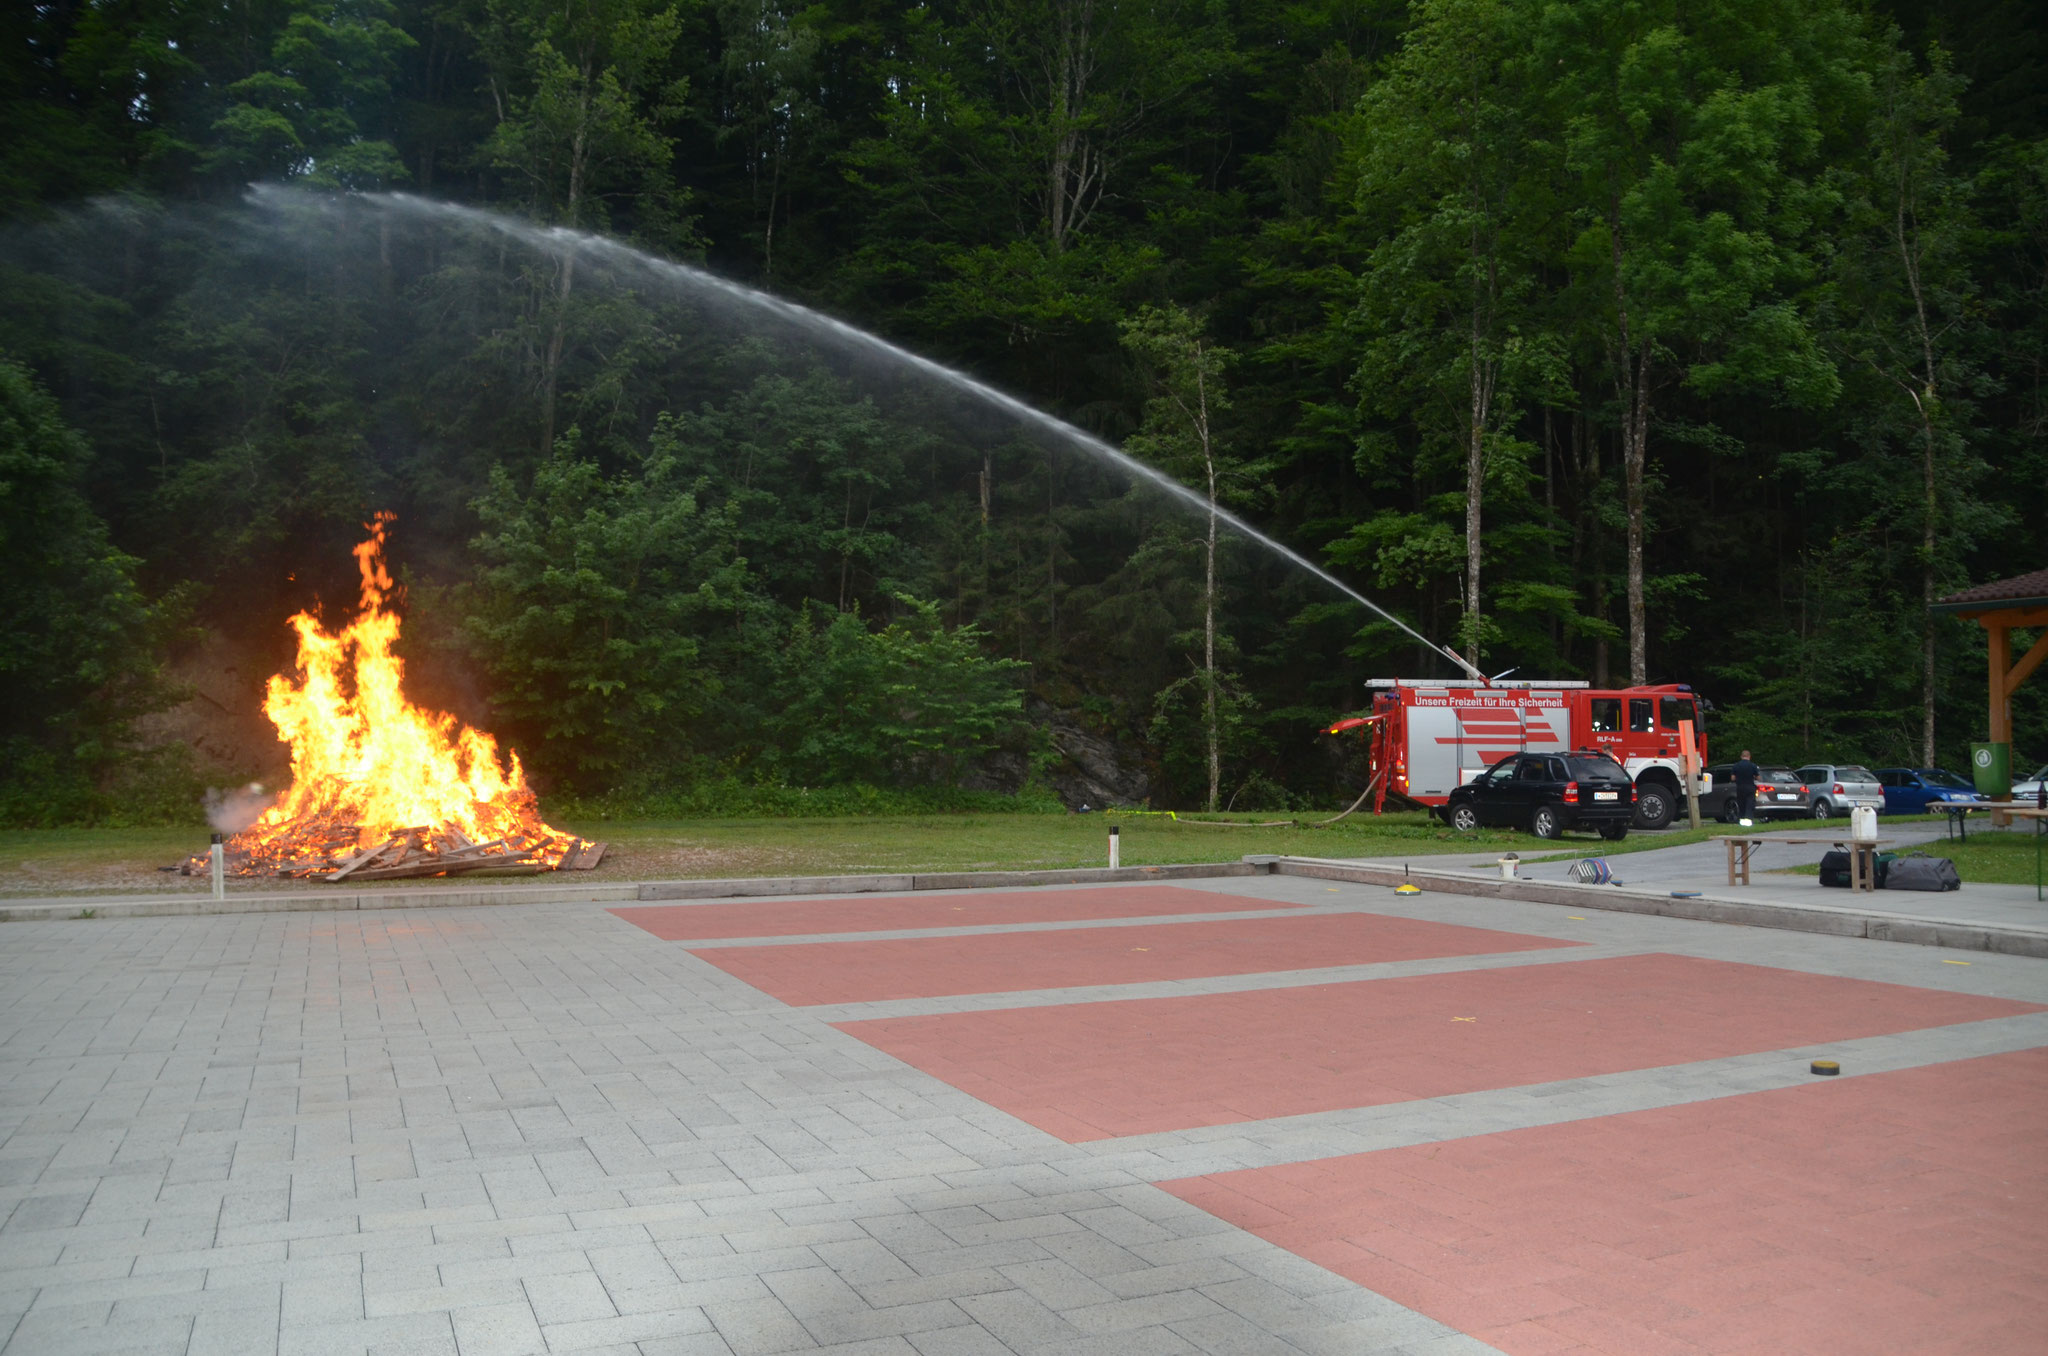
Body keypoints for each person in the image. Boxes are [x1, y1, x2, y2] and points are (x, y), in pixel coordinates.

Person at [1732, 750, 1760, 823]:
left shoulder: (1736, 766)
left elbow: (1733, 778)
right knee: (1749, 803)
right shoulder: (1753, 765)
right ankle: (1748, 819)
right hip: (1750, 787)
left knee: (1741, 803)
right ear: (1749, 756)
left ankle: (1741, 819)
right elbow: (1758, 778)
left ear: (1741, 756)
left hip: (1740, 787)